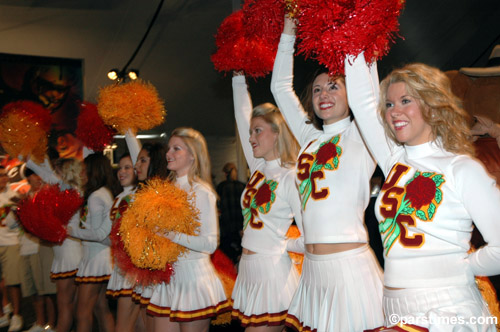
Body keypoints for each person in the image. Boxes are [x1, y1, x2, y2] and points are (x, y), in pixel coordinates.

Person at [344, 53, 500, 331]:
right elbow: (361, 102)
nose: (394, 111)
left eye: (406, 101)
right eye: (390, 104)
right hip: (392, 303)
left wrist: (462, 267)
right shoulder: (394, 160)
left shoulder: (461, 168)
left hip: (446, 308)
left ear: (432, 105)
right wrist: (353, 33)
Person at [269, 17, 384, 331]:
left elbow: (368, 94)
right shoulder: (308, 138)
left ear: (350, 93)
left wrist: (352, 30)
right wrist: (289, 30)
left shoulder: (361, 135)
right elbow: (279, 87)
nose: (323, 93)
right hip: (313, 270)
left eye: (334, 85)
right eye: (317, 88)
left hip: (350, 269)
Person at [231, 72, 304, 331]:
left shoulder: (291, 177)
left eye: (258, 131)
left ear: (276, 133)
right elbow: (241, 116)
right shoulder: (258, 168)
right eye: (251, 132)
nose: (251, 137)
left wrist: (285, 244)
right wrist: (238, 77)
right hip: (248, 269)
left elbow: (311, 236)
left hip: (272, 273)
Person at [148, 127, 229, 332]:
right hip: (168, 279)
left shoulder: (201, 192)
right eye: (169, 148)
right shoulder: (165, 190)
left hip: (193, 279)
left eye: (177, 149)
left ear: (193, 155)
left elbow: (210, 244)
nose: (169, 154)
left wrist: (170, 234)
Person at [26, 157, 84, 332]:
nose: (54, 175)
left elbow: (47, 174)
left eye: (58, 172)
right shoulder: (71, 191)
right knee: (71, 305)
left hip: (69, 254)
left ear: (66, 173)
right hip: (66, 252)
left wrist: (27, 158)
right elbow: (48, 173)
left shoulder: (72, 191)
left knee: (65, 305)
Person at [67, 153, 120, 332]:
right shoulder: (104, 193)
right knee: (101, 308)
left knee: (82, 312)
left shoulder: (96, 196)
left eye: (85, 170)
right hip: (100, 257)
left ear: (94, 171)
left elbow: (98, 234)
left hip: (95, 258)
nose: (82, 174)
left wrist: (71, 231)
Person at [128, 141, 168, 331]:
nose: (137, 166)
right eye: (138, 161)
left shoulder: (164, 195)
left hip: (161, 276)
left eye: (142, 161)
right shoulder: (143, 193)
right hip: (144, 272)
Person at [106, 134, 142, 332]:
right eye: (120, 168)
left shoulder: (139, 196)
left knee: (123, 326)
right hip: (121, 265)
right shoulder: (119, 197)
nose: (122, 172)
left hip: (133, 269)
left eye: (128, 167)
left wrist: (128, 130)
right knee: (139, 325)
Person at [18, 169, 57, 332]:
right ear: (27, 178)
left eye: (39, 174)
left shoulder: (46, 195)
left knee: (47, 290)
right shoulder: (25, 197)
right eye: (34, 175)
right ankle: (40, 322)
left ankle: (52, 324)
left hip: (40, 248)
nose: (38, 178)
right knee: (33, 289)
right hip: (25, 247)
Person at [0, 166, 23, 332]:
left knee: (13, 282)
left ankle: (16, 315)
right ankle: (2, 314)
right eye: (0, 176)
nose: (3, 178)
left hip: (11, 242)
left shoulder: (13, 195)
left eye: (4, 175)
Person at [216, 162, 245, 264]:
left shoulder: (221, 187)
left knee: (227, 255)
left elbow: (219, 206)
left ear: (225, 173)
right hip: (241, 225)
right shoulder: (242, 186)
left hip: (227, 225)